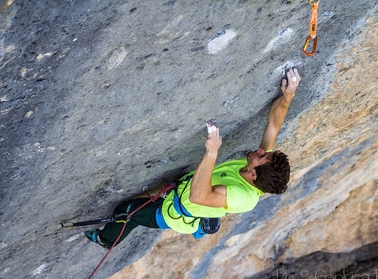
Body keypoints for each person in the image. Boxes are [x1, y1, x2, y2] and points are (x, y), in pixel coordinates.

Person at [85, 68, 301, 248]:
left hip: (176, 212)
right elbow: (274, 125)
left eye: (261, 156)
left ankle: (106, 240)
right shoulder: (259, 166)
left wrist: (212, 153)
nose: (261, 150)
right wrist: (288, 96)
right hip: (187, 188)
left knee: (128, 211)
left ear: (253, 174)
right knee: (150, 194)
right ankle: (202, 218)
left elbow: (198, 196)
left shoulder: (242, 197)